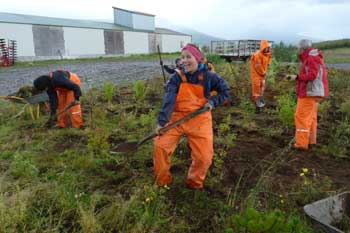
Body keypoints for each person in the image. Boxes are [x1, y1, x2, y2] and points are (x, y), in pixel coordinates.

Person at [153, 43, 230, 189]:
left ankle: (194, 184)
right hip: (176, 118)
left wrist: (213, 102)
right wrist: (162, 123)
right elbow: (169, 100)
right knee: (160, 146)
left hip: (200, 119)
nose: (184, 61)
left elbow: (225, 91)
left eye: (189, 57)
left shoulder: (209, 76)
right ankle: (162, 183)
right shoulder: (177, 77)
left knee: (204, 157)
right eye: (182, 57)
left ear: (198, 58)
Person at [291, 39, 328, 150]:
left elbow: (312, 75)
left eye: (299, 48)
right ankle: (311, 141)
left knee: (301, 117)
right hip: (314, 93)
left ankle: (301, 144)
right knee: (311, 117)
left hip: (310, 92)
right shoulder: (313, 57)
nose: (298, 50)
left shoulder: (311, 58)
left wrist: (297, 77)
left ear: (303, 48)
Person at [249, 39, 272, 112]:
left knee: (261, 90)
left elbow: (268, 61)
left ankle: (260, 104)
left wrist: (266, 69)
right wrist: (263, 72)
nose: (267, 49)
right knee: (256, 90)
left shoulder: (268, 54)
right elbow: (258, 66)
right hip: (256, 75)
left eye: (267, 48)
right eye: (265, 48)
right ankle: (257, 107)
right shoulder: (257, 55)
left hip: (262, 75)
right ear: (262, 47)